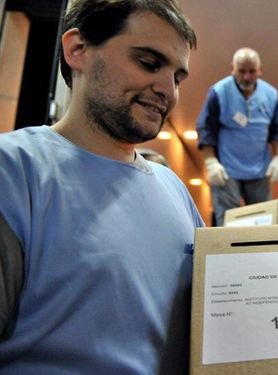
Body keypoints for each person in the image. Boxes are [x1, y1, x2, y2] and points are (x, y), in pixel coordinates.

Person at [0, 1, 202, 373]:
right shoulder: (14, 170)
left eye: (178, 77)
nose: (168, 92)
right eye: (149, 63)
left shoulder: (175, 191)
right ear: (78, 50)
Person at [196, 47, 278, 226]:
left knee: (264, 223)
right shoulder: (219, 91)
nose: (246, 76)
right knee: (229, 223)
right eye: (241, 71)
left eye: (252, 71)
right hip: (227, 170)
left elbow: (277, 129)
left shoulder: (271, 94)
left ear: (260, 70)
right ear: (232, 68)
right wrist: (211, 162)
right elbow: (205, 128)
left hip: (260, 169)